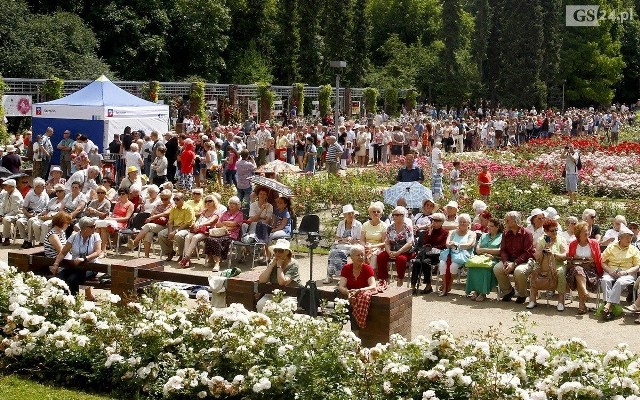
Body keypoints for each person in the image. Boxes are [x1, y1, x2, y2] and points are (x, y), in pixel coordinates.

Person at [50, 216, 101, 298]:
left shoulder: (96, 236)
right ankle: (61, 300)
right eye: (92, 227)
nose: (94, 228)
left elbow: (98, 252)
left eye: (95, 226)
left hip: (91, 266)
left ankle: (74, 301)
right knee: (58, 279)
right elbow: (63, 252)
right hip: (76, 265)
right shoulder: (74, 237)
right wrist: (56, 264)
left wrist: (85, 259)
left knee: (72, 280)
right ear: (84, 228)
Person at [599, 224, 640, 321]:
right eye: (627, 238)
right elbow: (603, 262)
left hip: (627, 274)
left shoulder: (634, 249)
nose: (629, 240)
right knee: (605, 280)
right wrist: (610, 271)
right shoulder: (611, 247)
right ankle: (610, 309)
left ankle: (608, 306)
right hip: (611, 272)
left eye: (630, 238)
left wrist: (626, 272)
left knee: (620, 282)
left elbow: (637, 265)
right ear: (620, 238)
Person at [527, 218, 568, 311]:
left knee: (561, 273)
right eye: (552, 231)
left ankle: (561, 302)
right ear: (545, 231)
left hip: (557, 264)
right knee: (534, 270)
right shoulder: (542, 240)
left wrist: (553, 253)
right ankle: (532, 300)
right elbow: (537, 256)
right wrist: (542, 250)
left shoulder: (561, 240)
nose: (555, 232)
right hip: (542, 263)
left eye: (556, 230)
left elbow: (565, 255)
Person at [494, 211, 535, 304]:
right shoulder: (506, 233)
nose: (505, 222)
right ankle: (508, 292)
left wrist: (514, 263)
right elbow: (503, 250)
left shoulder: (527, 233)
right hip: (509, 260)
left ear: (515, 221)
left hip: (524, 260)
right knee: (497, 269)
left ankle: (522, 294)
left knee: (519, 271)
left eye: (507, 220)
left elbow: (528, 252)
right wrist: (505, 262)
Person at [567, 221, 604, 315]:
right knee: (578, 270)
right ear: (578, 233)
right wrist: (577, 259)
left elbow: (598, 259)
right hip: (575, 269)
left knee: (580, 274)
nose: (587, 233)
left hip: (590, 270)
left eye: (588, 231)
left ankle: (582, 304)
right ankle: (584, 293)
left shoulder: (594, 243)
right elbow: (570, 259)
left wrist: (599, 271)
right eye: (585, 231)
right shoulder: (573, 244)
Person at [257, 238, 301, 311]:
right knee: (261, 304)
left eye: (280, 251)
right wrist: (271, 265)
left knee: (285, 307)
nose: (277, 253)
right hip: (272, 293)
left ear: (287, 252)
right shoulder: (273, 262)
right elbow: (262, 280)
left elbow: (282, 282)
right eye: (275, 250)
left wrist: (279, 266)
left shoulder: (293, 264)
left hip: (289, 295)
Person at [178, 195, 222, 268]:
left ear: (214, 202)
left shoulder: (216, 212)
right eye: (206, 201)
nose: (208, 203)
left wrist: (200, 225)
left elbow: (211, 222)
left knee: (195, 237)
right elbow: (199, 220)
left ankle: (185, 259)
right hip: (199, 230)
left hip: (208, 231)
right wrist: (195, 224)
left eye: (210, 201)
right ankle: (187, 259)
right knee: (187, 237)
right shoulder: (204, 211)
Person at [437, 213, 476, 296]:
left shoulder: (472, 233)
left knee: (453, 266)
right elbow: (447, 243)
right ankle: (445, 285)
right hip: (451, 252)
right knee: (442, 264)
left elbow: (469, 244)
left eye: (464, 222)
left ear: (469, 223)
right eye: (460, 221)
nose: (462, 223)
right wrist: (451, 244)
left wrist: (457, 245)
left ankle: (448, 285)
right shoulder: (452, 232)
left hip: (464, 254)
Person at [127, 189, 174, 257]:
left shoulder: (172, 205)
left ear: (170, 198)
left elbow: (165, 213)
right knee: (148, 234)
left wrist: (154, 216)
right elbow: (152, 213)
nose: (163, 200)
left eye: (166, 199)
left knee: (148, 226)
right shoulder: (159, 204)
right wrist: (156, 216)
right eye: (162, 198)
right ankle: (146, 256)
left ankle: (135, 242)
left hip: (166, 226)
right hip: (157, 225)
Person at [465, 217, 502, 302]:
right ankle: (475, 290)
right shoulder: (484, 236)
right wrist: (486, 253)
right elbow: (478, 249)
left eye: (491, 226)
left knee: (484, 268)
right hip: (481, 257)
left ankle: (482, 292)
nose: (489, 227)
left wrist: (484, 250)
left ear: (497, 227)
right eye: (488, 225)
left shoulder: (501, 237)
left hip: (494, 259)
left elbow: (500, 251)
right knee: (473, 266)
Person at [410, 212, 447, 295]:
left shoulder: (445, 233)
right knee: (417, 262)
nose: (434, 222)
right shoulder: (428, 231)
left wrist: (434, 247)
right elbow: (425, 243)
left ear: (442, 222)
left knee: (425, 262)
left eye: (437, 220)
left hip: (436, 254)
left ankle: (428, 285)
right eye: (433, 220)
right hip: (426, 252)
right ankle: (413, 285)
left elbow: (444, 245)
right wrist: (429, 234)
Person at [203, 196, 244, 271]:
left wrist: (224, 222)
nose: (231, 205)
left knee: (218, 240)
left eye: (234, 203)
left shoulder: (239, 214)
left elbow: (235, 224)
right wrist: (228, 224)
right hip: (221, 232)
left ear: (237, 205)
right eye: (230, 203)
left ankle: (217, 263)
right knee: (208, 239)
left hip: (231, 235)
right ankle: (210, 259)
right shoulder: (225, 213)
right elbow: (218, 224)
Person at [325, 204, 362, 284]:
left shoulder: (358, 224)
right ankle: (329, 275)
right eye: (349, 214)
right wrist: (343, 240)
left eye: (352, 213)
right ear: (345, 215)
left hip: (353, 246)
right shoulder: (341, 223)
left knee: (341, 253)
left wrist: (353, 240)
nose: (351, 215)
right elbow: (337, 237)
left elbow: (360, 240)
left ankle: (343, 277)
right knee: (332, 252)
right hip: (341, 245)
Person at [377, 206, 415, 283]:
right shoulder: (390, 228)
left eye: (397, 215)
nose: (394, 216)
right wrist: (388, 252)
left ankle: (400, 279)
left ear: (402, 216)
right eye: (393, 215)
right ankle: (384, 278)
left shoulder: (407, 228)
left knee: (401, 259)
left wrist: (399, 252)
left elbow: (409, 243)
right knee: (381, 256)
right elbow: (387, 242)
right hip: (392, 250)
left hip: (405, 251)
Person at [95, 188, 134, 256]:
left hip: (122, 223)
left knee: (104, 228)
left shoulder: (130, 205)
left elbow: (126, 218)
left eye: (123, 194)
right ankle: (97, 249)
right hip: (113, 221)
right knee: (99, 227)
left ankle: (103, 251)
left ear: (127, 194)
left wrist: (113, 219)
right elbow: (113, 214)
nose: (121, 195)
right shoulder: (117, 204)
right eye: (120, 194)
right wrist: (109, 218)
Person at [158, 192, 195, 261]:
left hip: (186, 228)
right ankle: (170, 252)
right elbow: (170, 222)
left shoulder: (188, 208)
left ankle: (182, 255)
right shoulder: (173, 208)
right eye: (174, 199)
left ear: (183, 199)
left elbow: (187, 223)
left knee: (178, 235)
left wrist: (175, 231)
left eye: (177, 199)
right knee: (161, 234)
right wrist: (170, 232)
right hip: (175, 227)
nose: (175, 201)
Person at [16, 178, 49, 248]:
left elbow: (48, 207)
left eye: (44, 186)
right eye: (42, 186)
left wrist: (42, 214)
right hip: (29, 214)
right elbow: (24, 208)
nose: (44, 187)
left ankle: (29, 241)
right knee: (19, 221)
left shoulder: (45, 195)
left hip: (40, 215)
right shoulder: (29, 194)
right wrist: (28, 214)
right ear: (37, 186)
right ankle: (25, 239)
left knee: (31, 221)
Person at [361, 201, 388, 271]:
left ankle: (371, 274)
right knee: (358, 252)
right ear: (370, 213)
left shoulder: (384, 226)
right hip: (366, 246)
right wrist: (365, 247)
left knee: (373, 255)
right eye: (373, 211)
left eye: (378, 212)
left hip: (378, 247)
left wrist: (372, 247)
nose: (376, 213)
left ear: (381, 214)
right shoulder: (365, 225)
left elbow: (384, 243)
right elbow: (362, 240)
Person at [0, 179, 24, 245]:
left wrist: (4, 216)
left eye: (5, 186)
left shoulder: (16, 195)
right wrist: (1, 214)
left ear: (11, 187)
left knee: (6, 219)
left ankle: (6, 239)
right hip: (8, 213)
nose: (4, 187)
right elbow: (2, 205)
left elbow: (15, 210)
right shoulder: (6, 193)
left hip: (17, 214)